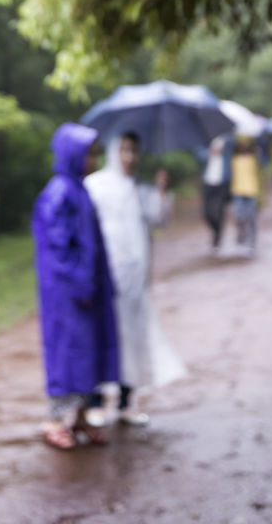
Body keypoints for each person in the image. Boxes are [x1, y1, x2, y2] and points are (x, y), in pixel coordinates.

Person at [85, 131, 185, 426]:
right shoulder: (95, 186)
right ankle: (97, 400)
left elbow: (159, 219)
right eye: (124, 149)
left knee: (133, 337)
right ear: (114, 151)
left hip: (135, 280)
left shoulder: (140, 189)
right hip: (105, 279)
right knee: (104, 337)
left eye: (134, 150)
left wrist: (162, 190)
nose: (129, 157)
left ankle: (128, 400)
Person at [31, 123, 119, 450]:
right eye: (89, 153)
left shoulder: (80, 190)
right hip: (67, 294)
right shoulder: (59, 193)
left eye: (95, 153)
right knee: (68, 354)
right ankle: (54, 420)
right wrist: (79, 282)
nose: (93, 159)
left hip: (88, 290)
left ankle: (79, 416)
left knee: (89, 352)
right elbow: (57, 249)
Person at [229, 134, 261, 254]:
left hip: (251, 191)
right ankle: (241, 237)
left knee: (251, 217)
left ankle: (252, 240)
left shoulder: (254, 159)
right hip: (238, 191)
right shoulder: (234, 159)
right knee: (239, 217)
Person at [200, 133, 232, 250]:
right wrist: (211, 152)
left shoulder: (228, 140)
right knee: (207, 213)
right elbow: (199, 155)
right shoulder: (205, 139)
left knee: (218, 211)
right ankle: (215, 230)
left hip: (222, 181)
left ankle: (218, 237)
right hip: (208, 181)